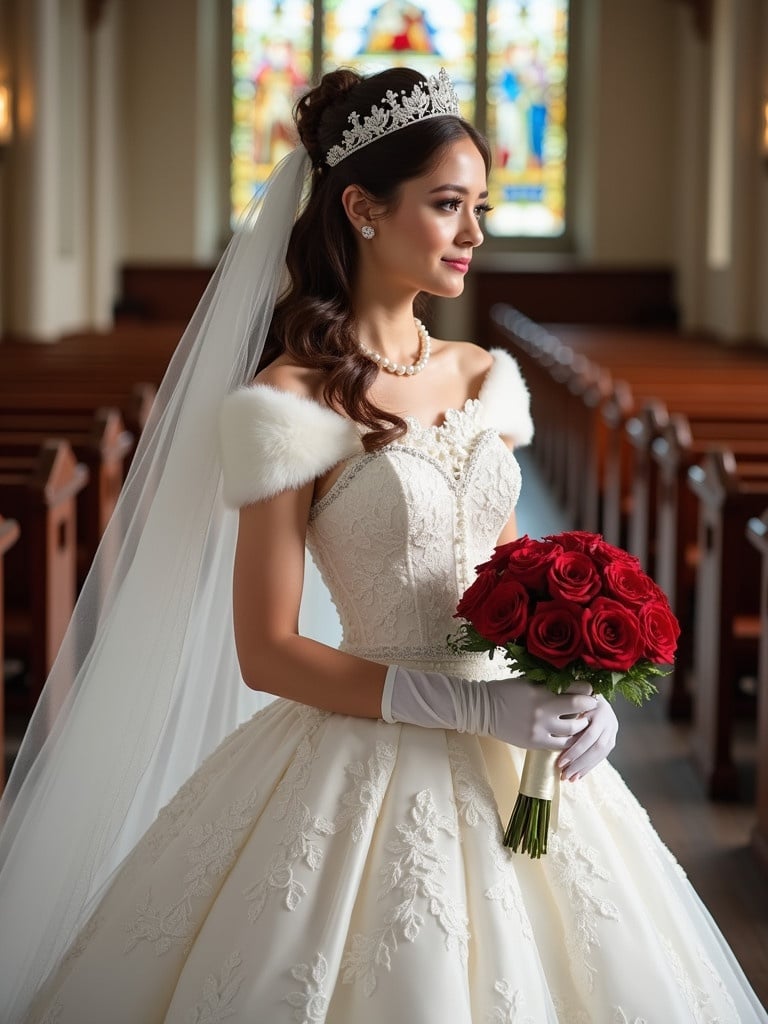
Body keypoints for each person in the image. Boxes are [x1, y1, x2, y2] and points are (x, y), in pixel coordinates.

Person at [0, 66, 765, 1024]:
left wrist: (582, 689)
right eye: (449, 205)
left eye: (480, 205)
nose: (475, 235)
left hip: (517, 742)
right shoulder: (286, 402)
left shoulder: (485, 373)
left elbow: (517, 579)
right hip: (366, 740)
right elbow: (266, 650)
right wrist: (466, 712)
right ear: (362, 207)